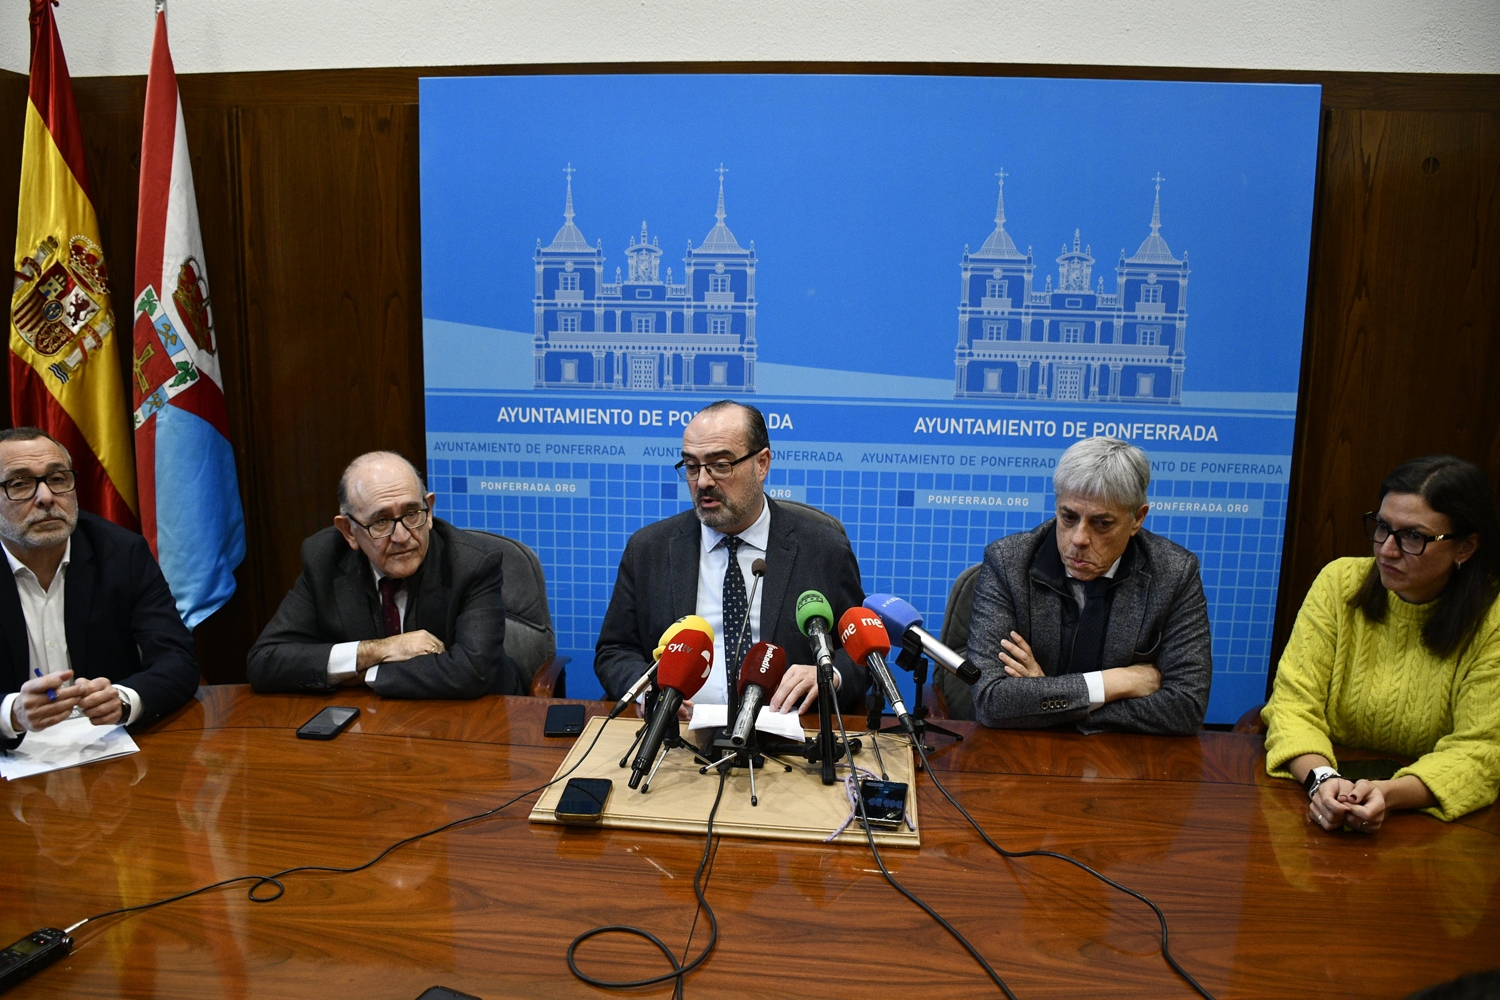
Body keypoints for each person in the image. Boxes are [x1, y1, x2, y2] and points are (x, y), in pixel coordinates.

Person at [1263, 455, 1500, 830]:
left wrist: (1386, 794)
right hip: (1323, 794)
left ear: (1465, 547)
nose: (1386, 550)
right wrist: (1322, 779)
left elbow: (1480, 752)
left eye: (1413, 537)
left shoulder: (1492, 619)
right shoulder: (1340, 582)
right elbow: (1293, 705)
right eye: (1382, 527)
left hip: (1426, 825)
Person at [595, 400, 867, 716]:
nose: (704, 481)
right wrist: (645, 690)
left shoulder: (823, 550)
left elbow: (860, 654)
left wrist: (828, 675)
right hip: (677, 731)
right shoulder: (649, 549)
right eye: (692, 466)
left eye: (720, 464)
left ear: (762, 463)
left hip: (784, 732)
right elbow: (615, 651)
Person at [966, 436, 1212, 734]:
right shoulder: (1009, 563)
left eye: (1102, 524)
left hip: (1124, 765)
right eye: (1068, 517)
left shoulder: (1174, 573)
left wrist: (1044, 697)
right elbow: (992, 701)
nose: (1079, 538)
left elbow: (1186, 708)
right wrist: (1117, 683)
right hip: (1024, 757)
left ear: (1137, 519)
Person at [247, 451, 526, 698]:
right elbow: (265, 662)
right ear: (348, 530)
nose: (403, 536)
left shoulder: (471, 563)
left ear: (429, 511)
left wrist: (361, 674)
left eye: (412, 513)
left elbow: (471, 673)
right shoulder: (324, 558)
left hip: (480, 722)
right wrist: (379, 650)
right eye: (381, 522)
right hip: (376, 727)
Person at [0, 427, 199, 749]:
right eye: (19, 484)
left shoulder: (122, 552)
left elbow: (177, 659)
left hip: (108, 754)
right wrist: (11, 713)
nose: (47, 497)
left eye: (58, 478)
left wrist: (123, 698)